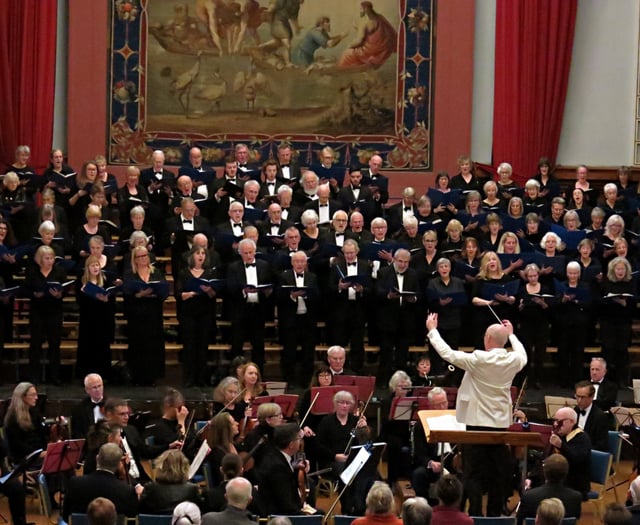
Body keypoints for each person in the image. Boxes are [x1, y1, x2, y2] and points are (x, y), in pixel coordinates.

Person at [425, 312, 526, 517]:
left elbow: (448, 354)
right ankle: (494, 515)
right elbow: (523, 354)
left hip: (476, 424)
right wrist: (512, 335)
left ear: (487, 339)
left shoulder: (479, 359)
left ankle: (476, 514)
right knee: (498, 473)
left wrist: (432, 330)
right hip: (499, 425)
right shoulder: (513, 359)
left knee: (473, 473)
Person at [123, 245, 169, 385]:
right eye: (140, 256)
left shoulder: (157, 273)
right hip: (137, 315)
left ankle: (152, 377)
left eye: (145, 256)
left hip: (153, 314)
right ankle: (137, 377)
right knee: (138, 345)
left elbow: (164, 292)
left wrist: (155, 292)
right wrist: (140, 294)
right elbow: (127, 295)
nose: (144, 259)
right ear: (135, 259)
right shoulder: (130, 274)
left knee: (152, 345)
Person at [226, 238, 274, 371]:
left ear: (255, 252)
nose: (248, 255)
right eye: (245, 253)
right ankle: (236, 376)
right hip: (240, 310)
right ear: (240, 253)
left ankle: (259, 377)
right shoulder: (233, 267)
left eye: (250, 252)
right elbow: (229, 288)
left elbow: (270, 284)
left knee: (258, 346)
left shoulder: (264, 265)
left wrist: (267, 291)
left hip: (258, 310)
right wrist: (243, 291)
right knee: (237, 345)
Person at [176, 246, 219, 387]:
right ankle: (188, 379)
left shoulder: (210, 273)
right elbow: (178, 294)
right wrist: (189, 294)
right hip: (188, 314)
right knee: (189, 347)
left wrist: (208, 290)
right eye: (198, 253)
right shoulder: (183, 273)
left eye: (203, 253)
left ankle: (201, 379)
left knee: (202, 347)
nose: (201, 256)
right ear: (191, 256)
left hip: (205, 314)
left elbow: (214, 295)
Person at [63, 443, 140, 521]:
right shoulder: (127, 492)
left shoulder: (75, 483)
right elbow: (131, 520)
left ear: (97, 459)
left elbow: (66, 517)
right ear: (118, 465)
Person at [26, 245, 67, 384]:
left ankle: (54, 376)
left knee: (54, 344)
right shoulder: (32, 271)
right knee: (35, 344)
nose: (50, 261)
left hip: (54, 311)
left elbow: (65, 289)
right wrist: (35, 293)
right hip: (37, 311)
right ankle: (34, 376)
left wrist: (59, 294)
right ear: (39, 259)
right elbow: (27, 288)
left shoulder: (59, 271)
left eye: (51, 258)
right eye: (46, 258)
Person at [277, 250, 319, 384]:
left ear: (306, 263)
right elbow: (278, 297)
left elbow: (318, 296)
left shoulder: (312, 277)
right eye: (297, 261)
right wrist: (292, 296)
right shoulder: (284, 276)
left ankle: (306, 382)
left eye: (302, 261)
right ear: (292, 262)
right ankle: (289, 381)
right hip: (290, 321)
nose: (299, 264)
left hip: (307, 320)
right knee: (289, 353)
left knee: (308, 353)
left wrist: (307, 295)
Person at [76, 255, 118, 380]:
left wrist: (106, 299)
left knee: (102, 346)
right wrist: (84, 293)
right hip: (88, 320)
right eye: (92, 265)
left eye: (97, 265)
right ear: (87, 268)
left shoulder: (105, 280)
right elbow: (79, 301)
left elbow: (112, 299)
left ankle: (103, 374)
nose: (95, 268)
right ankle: (86, 375)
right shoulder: (82, 281)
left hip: (102, 319)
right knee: (87, 346)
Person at [255, 423, 310, 516]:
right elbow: (286, 505)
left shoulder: (276, 455)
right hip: (279, 517)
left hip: (285, 509)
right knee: (319, 516)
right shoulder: (277, 467)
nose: (300, 442)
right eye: (299, 438)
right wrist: (304, 515)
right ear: (291, 444)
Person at [516, 455, 581, 525]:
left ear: (544, 472)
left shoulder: (528, 497)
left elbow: (519, 522)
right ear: (566, 473)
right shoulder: (576, 498)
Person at [337, 1, 397, 69]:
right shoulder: (380, 17)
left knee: (347, 54)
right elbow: (375, 32)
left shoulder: (364, 23)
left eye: (360, 9)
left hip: (371, 50)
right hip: (383, 48)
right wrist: (358, 28)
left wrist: (349, 46)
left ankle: (342, 69)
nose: (360, 10)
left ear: (365, 9)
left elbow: (359, 41)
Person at [138, 449, 202, 514]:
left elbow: (141, 511)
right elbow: (199, 512)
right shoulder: (192, 489)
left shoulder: (150, 488)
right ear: (184, 467)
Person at [547, 407, 591, 497]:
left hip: (573, 482)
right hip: (555, 479)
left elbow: (575, 460)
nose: (555, 424)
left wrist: (561, 446)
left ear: (571, 422)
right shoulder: (558, 435)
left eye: (560, 422)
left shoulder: (582, 438)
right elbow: (545, 458)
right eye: (554, 420)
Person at [3, 382, 47, 465]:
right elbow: (17, 445)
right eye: (33, 395)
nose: (36, 398)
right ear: (23, 397)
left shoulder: (34, 413)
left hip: (38, 454)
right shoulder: (12, 418)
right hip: (24, 458)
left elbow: (41, 434)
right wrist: (37, 453)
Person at [573, 380, 609, 452]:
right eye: (577, 396)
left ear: (592, 397)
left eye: (583, 397)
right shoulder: (575, 411)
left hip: (589, 454)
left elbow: (601, 445)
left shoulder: (600, 417)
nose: (579, 400)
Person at [71, 373, 106, 440]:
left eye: (99, 386)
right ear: (87, 390)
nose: (98, 390)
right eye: (94, 387)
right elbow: (77, 434)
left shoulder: (113, 405)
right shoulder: (79, 409)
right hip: (89, 446)